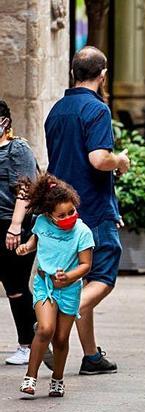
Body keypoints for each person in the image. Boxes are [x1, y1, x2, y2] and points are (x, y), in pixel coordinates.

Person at [44, 46, 128, 375]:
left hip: (59, 212)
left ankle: (91, 356)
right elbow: (98, 158)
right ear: (103, 75)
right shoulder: (96, 109)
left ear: (72, 73)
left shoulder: (57, 110)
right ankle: (53, 329)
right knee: (103, 276)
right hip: (91, 208)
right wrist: (119, 161)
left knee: (82, 280)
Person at [15, 174, 94, 398]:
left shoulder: (82, 232)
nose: (68, 217)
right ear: (49, 214)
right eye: (62, 215)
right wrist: (25, 248)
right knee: (45, 328)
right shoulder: (41, 222)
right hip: (44, 284)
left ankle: (57, 379)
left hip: (69, 289)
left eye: (72, 212)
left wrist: (69, 277)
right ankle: (30, 378)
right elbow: (34, 241)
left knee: (60, 338)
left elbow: (86, 265)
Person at [0, 100, 38, 366]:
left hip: (12, 225)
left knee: (15, 287)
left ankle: (30, 343)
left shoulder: (17, 148)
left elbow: (25, 189)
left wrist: (15, 226)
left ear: (5, 122)